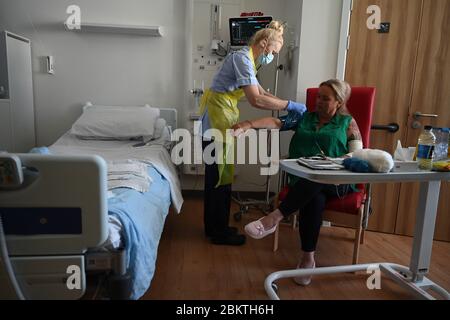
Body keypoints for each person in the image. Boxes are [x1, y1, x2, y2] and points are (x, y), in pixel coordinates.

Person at [232, 79, 363, 284]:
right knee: (314, 199)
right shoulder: (304, 118)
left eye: (325, 98)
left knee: (318, 182)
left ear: (338, 102)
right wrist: (248, 124)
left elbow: (357, 154)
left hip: (337, 181)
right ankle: (307, 259)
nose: (318, 101)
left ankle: (274, 218)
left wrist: (337, 162)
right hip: (305, 180)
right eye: (318, 97)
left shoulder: (348, 123)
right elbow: (276, 123)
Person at [199, 20, 307, 246]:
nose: (273, 57)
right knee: (219, 177)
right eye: (274, 52)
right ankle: (217, 232)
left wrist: (284, 103)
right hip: (216, 121)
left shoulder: (249, 61)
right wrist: (290, 105)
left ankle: (216, 226)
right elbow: (256, 99)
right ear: (265, 43)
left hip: (221, 118)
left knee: (221, 175)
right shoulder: (241, 59)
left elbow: (261, 92)